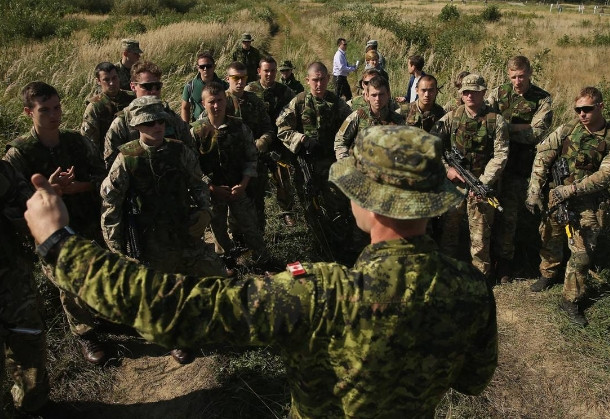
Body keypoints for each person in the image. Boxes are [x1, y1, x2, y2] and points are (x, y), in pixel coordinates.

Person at [25, 125, 498, 418]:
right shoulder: (472, 290)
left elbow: (177, 310)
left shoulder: (322, 294)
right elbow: (472, 380)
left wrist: (58, 244)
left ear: (366, 202)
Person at [101, 97, 224, 364]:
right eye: (149, 122)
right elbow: (111, 205)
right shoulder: (126, 158)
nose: (156, 126)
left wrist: (205, 211)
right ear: (137, 125)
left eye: (160, 121)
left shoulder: (179, 151)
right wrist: (116, 247)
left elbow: (199, 184)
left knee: (214, 272)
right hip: (150, 239)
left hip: (184, 230)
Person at [4, 81, 107, 365]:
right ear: (28, 112)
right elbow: (14, 206)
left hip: (87, 223)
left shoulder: (76, 142)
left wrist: (81, 187)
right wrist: (47, 191)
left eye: (57, 107)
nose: (54, 115)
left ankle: (103, 316)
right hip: (51, 232)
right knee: (68, 283)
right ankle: (85, 332)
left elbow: (105, 178)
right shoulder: (19, 154)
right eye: (45, 109)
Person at [525, 87, 610, 326]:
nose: (582, 114)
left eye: (587, 109)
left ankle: (570, 299)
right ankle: (548, 274)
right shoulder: (567, 130)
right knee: (550, 237)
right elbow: (543, 156)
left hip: (587, 203)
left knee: (581, 254)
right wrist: (534, 190)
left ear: (600, 107)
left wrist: (572, 189)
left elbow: (607, 174)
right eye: (578, 109)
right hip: (556, 195)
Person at [430, 74, 509, 280]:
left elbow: (501, 155)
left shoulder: (496, 121)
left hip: (482, 183)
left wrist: (483, 182)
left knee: (480, 235)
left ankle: (480, 276)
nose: (469, 95)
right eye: (466, 92)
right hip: (455, 183)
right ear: (461, 95)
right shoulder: (452, 117)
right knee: (449, 230)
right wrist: (447, 168)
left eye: (474, 91)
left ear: (483, 92)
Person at [276, 61, 355, 264]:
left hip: (331, 165)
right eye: (315, 80)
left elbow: (353, 126)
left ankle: (340, 248)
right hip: (307, 165)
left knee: (337, 206)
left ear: (328, 79)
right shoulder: (299, 102)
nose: (318, 84)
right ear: (307, 80)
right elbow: (282, 129)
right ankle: (318, 247)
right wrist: (301, 139)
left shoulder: (337, 103)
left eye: (322, 79)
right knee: (310, 207)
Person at [487, 56, 553, 283]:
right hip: (493, 164)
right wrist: (517, 127)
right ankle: (487, 259)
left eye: (522, 76)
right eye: (514, 76)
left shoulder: (541, 99)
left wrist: (502, 127)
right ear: (508, 75)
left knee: (510, 216)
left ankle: (505, 262)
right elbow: (486, 122)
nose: (518, 81)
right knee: (488, 212)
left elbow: (535, 133)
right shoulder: (497, 93)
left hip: (519, 166)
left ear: (530, 73)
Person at [191, 82, 269, 266]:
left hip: (238, 189)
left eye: (220, 100)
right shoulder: (196, 131)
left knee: (251, 227)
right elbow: (191, 165)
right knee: (218, 230)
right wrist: (210, 186)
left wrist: (243, 184)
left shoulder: (239, 128)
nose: (216, 106)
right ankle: (227, 264)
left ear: (226, 101)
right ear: (203, 104)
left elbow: (251, 158)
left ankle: (263, 262)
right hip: (212, 192)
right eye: (211, 102)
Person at [0, 160, 49, 415]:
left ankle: (32, 407)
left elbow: (31, 209)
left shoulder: (3, 172)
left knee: (27, 343)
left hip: (12, 280)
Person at [104, 61, 194, 169]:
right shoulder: (122, 122)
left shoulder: (172, 118)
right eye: (148, 87)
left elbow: (191, 154)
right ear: (133, 87)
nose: (153, 91)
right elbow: (111, 164)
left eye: (157, 86)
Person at [245, 56, 297, 227]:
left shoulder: (285, 92)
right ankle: (256, 214)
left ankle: (286, 211)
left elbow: (294, 114)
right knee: (255, 180)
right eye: (266, 70)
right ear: (259, 71)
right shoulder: (250, 90)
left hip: (278, 142)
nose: (270, 74)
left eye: (273, 70)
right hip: (256, 142)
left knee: (283, 178)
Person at [225, 61, 274, 235]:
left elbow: (268, 128)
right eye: (235, 78)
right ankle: (235, 243)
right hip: (229, 165)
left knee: (257, 202)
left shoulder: (255, 101)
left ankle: (259, 241)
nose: (239, 82)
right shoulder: (219, 102)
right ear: (228, 79)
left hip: (254, 162)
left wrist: (263, 141)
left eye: (243, 78)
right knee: (232, 207)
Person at [335, 76, 404, 160]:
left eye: (381, 94)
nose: (377, 99)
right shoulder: (358, 116)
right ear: (367, 96)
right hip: (361, 168)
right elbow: (340, 141)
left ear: (388, 94)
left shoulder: (398, 120)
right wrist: (345, 163)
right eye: (374, 95)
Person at [81, 62, 135, 157]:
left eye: (114, 78)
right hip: (108, 157)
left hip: (134, 154)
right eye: (106, 80)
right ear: (98, 81)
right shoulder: (95, 106)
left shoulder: (133, 98)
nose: (112, 83)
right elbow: (89, 140)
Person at [180, 50, 227, 123]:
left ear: (214, 66)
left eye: (208, 66)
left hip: (220, 124)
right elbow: (185, 108)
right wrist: (185, 127)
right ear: (198, 68)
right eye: (202, 67)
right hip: (198, 126)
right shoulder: (190, 86)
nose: (205, 69)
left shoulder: (224, 85)